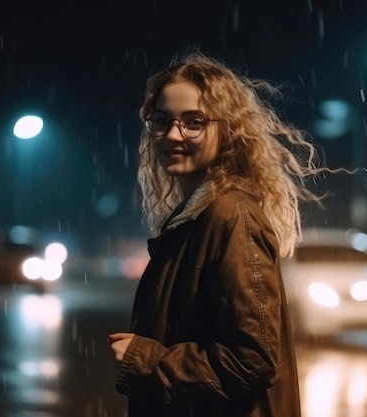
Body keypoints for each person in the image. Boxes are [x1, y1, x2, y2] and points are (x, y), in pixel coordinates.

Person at [109, 50, 326, 417]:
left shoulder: (231, 215)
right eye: (161, 120)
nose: (173, 135)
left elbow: (251, 361)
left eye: (194, 122)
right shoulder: (196, 216)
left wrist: (145, 359)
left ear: (226, 129)